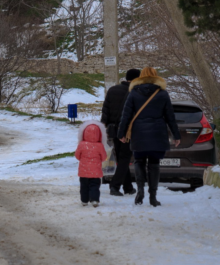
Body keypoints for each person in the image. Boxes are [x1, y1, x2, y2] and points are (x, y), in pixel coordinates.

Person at [116, 67, 181, 207]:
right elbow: (170, 116)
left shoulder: (133, 93)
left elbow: (126, 115)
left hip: (139, 133)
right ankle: (153, 196)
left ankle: (140, 191)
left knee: (138, 161)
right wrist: (176, 135)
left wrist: (121, 134)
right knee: (154, 164)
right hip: (157, 133)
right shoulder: (162, 93)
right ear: (155, 76)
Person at [101, 68, 141, 196]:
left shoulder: (112, 90)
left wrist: (104, 125)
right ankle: (115, 186)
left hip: (113, 130)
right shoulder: (136, 92)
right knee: (124, 158)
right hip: (127, 131)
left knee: (121, 158)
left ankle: (128, 187)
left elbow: (105, 109)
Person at [75, 121, 111, 207]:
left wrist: (83, 159)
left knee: (84, 186)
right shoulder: (100, 146)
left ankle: (84, 200)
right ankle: (94, 200)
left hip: (83, 172)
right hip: (95, 171)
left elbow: (77, 156)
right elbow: (104, 157)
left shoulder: (81, 144)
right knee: (94, 186)